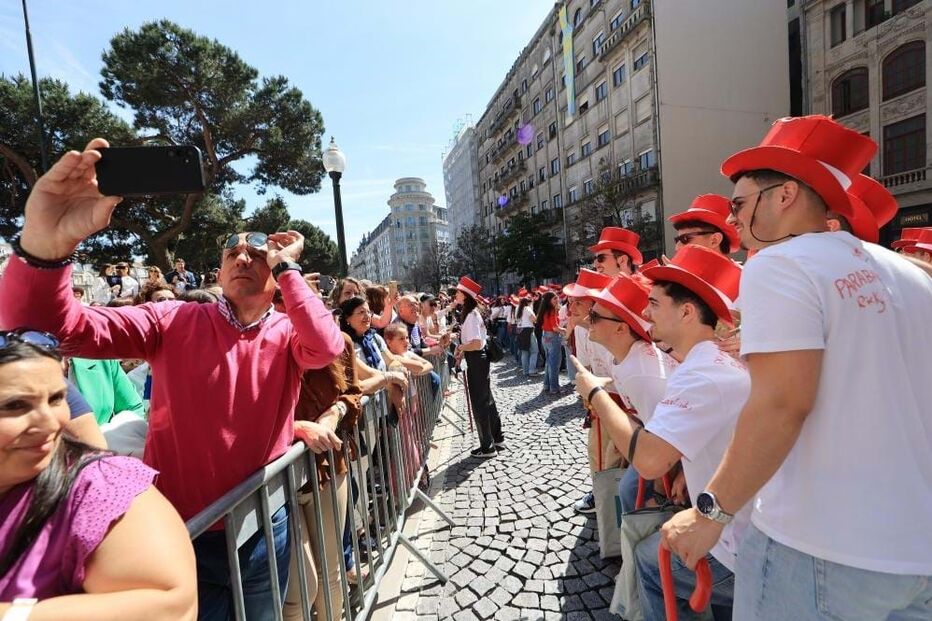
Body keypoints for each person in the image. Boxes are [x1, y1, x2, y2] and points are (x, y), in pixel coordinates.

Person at [0, 138, 345, 621]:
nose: (243, 257)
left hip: (268, 522)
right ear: (219, 270)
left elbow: (328, 347)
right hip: (186, 530)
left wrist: (288, 266)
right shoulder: (173, 318)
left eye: (257, 253)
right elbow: (56, 328)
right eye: (232, 251)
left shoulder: (289, 332)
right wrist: (44, 246)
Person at [662, 115, 932, 619]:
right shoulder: (907, 272)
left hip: (822, 544)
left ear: (783, 196)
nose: (733, 221)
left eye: (739, 205)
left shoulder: (781, 263)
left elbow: (782, 403)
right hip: (915, 550)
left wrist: (709, 514)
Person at [583, 246, 748, 621]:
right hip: (732, 523)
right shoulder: (711, 361)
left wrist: (593, 393)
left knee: (651, 563)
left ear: (687, 312)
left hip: (737, 546)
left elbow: (651, 460)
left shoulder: (700, 371)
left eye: (654, 304)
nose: (644, 312)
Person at [0, 330, 197, 619]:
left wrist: (14, 615)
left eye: (57, 398)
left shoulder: (100, 489)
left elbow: (169, 606)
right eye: (15, 406)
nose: (49, 422)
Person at [578, 274, 677, 516]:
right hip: (658, 443)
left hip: (676, 456)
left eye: (594, 316)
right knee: (629, 491)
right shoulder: (627, 357)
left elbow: (668, 441)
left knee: (633, 493)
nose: (586, 319)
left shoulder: (639, 373)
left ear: (622, 328)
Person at [283, 332, 361, 621]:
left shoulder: (336, 340)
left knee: (330, 573)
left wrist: (335, 412)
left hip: (327, 468)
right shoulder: (257, 343)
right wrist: (295, 427)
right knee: (300, 591)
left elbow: (353, 392)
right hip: (276, 481)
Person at [453, 277, 503, 457]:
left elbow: (474, 343)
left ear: (465, 295)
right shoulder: (472, 313)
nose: (455, 295)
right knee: (486, 400)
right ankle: (496, 438)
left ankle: (487, 446)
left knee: (480, 402)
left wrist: (460, 347)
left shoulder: (472, 314)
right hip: (477, 358)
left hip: (476, 358)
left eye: (458, 292)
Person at [670, 194, 740, 255]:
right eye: (677, 240)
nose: (677, 247)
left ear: (714, 240)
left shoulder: (746, 270)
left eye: (685, 239)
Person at [535, 291, 562, 395]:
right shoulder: (552, 311)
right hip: (552, 337)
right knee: (554, 363)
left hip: (545, 336)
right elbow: (555, 327)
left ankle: (547, 385)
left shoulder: (544, 310)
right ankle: (554, 388)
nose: (557, 300)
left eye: (557, 298)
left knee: (548, 363)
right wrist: (565, 330)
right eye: (554, 298)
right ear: (549, 300)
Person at [514, 296, 539, 376]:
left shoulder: (517, 308)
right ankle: (531, 370)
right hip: (528, 330)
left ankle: (525, 371)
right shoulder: (527, 309)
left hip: (519, 330)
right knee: (534, 350)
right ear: (528, 302)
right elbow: (534, 319)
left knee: (524, 351)